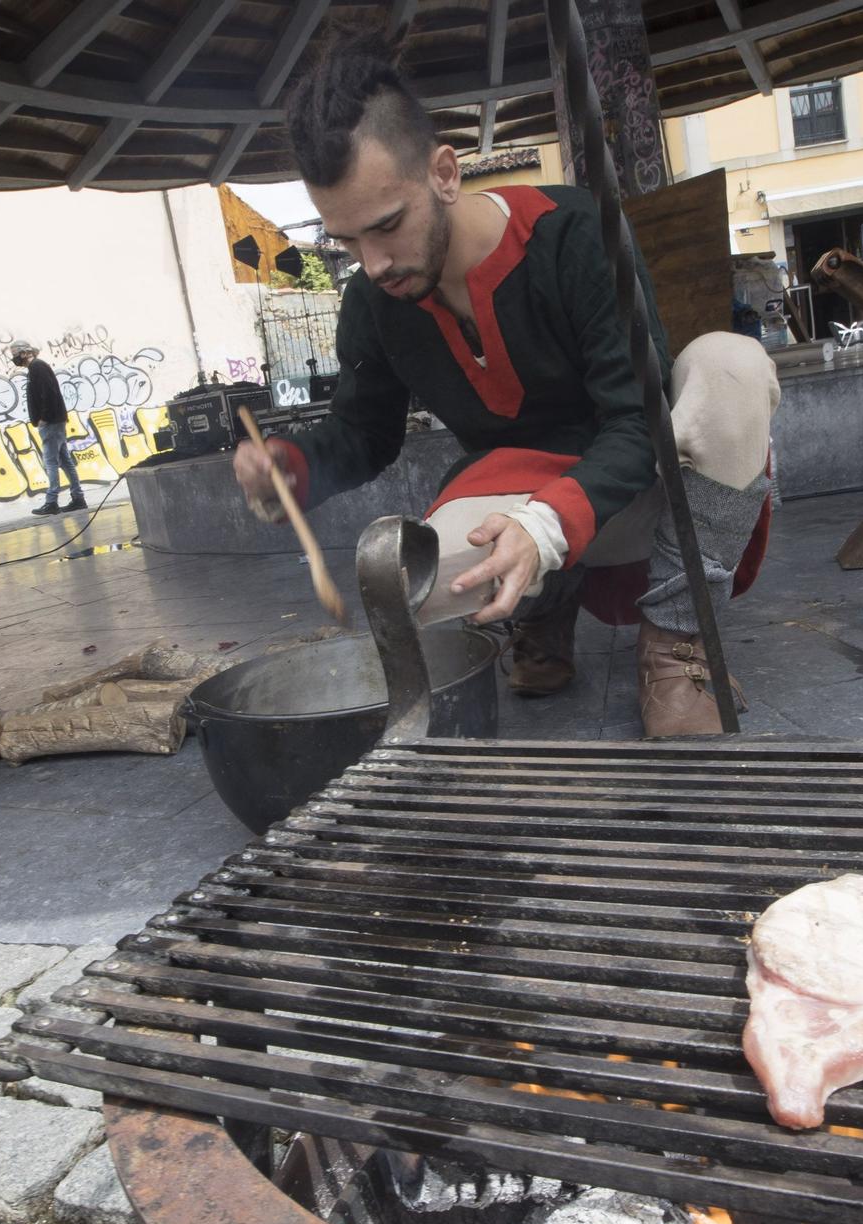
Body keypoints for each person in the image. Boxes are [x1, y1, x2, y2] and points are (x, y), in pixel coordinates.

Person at [232, 33, 780, 737]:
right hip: (518, 492)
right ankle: (541, 612)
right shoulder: (373, 301)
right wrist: (293, 468)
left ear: (444, 173)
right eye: (345, 242)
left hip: (640, 484)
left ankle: (677, 650)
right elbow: (362, 435)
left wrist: (544, 527)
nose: (372, 264)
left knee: (731, 365)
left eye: (387, 226)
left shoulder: (573, 230)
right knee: (418, 586)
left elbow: (637, 422)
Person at [11, 339, 87, 516]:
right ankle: (78, 498)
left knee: (50, 462)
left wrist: (44, 417)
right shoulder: (36, 367)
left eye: (15, 355)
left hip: (51, 422)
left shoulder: (37, 366)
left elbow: (49, 393)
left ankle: (51, 501)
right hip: (55, 421)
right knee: (65, 461)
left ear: (24, 353)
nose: (14, 359)